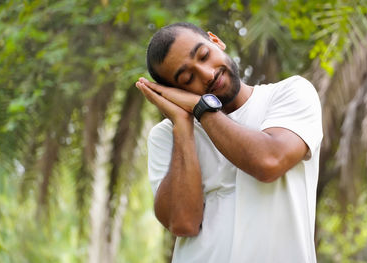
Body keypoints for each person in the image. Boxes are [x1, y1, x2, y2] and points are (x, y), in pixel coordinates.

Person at [135, 22, 323, 263]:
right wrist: (182, 125)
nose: (208, 74)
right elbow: (182, 223)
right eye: (187, 78)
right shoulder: (165, 136)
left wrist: (201, 108)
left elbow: (269, 161)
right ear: (174, 91)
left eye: (204, 55)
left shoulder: (290, 94)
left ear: (216, 41)